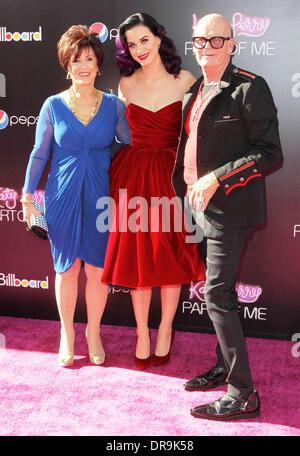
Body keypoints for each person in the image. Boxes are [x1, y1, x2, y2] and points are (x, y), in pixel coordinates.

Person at [172, 13, 282, 420]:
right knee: (219, 291)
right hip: (197, 209)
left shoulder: (250, 88)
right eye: (199, 41)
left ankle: (243, 393)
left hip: (230, 209)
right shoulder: (195, 89)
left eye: (215, 41)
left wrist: (217, 178)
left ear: (232, 45)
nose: (205, 48)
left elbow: (271, 154)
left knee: (217, 295)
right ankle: (224, 366)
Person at [21, 25, 131, 367]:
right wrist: (27, 196)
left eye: (89, 58)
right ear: (66, 66)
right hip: (62, 196)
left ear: (99, 64)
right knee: (67, 270)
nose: (83, 65)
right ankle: (67, 332)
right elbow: (39, 153)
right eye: (75, 60)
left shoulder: (114, 106)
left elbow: (128, 147)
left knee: (97, 270)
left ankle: (93, 332)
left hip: (100, 197)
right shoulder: (53, 105)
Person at [102, 13, 205, 369]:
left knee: (170, 257)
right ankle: (142, 332)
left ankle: (165, 329)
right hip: (133, 178)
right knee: (140, 259)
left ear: (159, 39)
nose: (140, 49)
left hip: (171, 177)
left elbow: (196, 135)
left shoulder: (187, 80)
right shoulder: (126, 84)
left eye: (144, 40)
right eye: (132, 44)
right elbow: (120, 134)